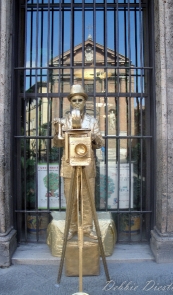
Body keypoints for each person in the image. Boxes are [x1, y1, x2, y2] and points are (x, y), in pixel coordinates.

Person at [53, 84, 104, 240]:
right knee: (71, 198)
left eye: (79, 100)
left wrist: (93, 137)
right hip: (69, 164)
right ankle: (72, 227)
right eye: (74, 100)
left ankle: (88, 227)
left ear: (84, 102)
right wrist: (57, 132)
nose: (76, 102)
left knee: (88, 198)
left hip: (87, 165)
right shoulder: (63, 121)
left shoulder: (92, 121)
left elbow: (101, 143)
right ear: (70, 102)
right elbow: (56, 143)